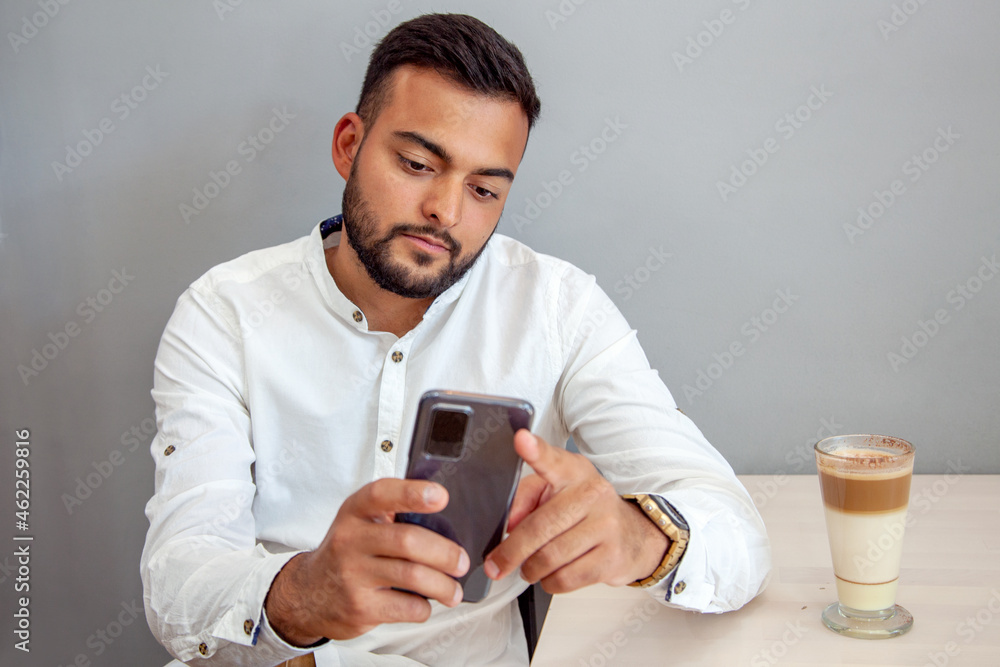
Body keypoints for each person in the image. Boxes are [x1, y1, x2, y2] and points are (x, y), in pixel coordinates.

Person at [140, 13, 770, 667]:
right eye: (417, 163)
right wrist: (301, 595)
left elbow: (740, 536)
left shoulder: (558, 308)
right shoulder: (225, 311)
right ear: (349, 144)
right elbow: (179, 584)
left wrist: (641, 538)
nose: (446, 209)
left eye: (484, 188)